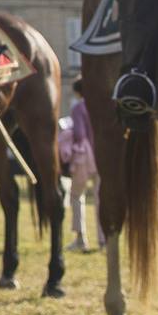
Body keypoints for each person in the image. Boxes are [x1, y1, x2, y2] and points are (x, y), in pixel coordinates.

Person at [62, 79, 101, 252]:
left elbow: (79, 133)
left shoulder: (79, 108)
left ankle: (81, 239)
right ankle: (103, 239)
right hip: (100, 156)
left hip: (84, 157)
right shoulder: (99, 106)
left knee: (77, 195)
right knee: (100, 197)